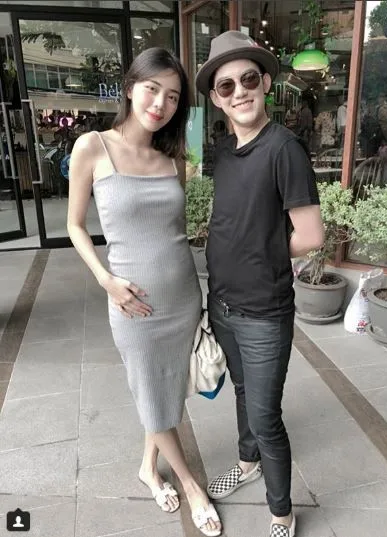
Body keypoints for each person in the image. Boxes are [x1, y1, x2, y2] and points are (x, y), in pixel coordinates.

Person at [67, 47, 221, 537]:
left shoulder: (172, 158)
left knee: (167, 392)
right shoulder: (93, 147)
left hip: (183, 298)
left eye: (173, 96)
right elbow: (74, 225)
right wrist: (105, 279)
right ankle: (191, 486)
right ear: (131, 87)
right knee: (152, 396)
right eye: (153, 89)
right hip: (133, 304)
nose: (161, 103)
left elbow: (173, 231)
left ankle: (147, 467)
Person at [195, 31, 324, 537]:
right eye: (226, 86)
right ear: (215, 98)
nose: (239, 92)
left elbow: (310, 236)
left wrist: (260, 251)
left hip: (265, 313)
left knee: (267, 417)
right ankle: (247, 462)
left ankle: (281, 511)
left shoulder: (284, 149)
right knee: (242, 392)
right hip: (223, 305)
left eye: (248, 79)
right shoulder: (224, 151)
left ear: (266, 83)